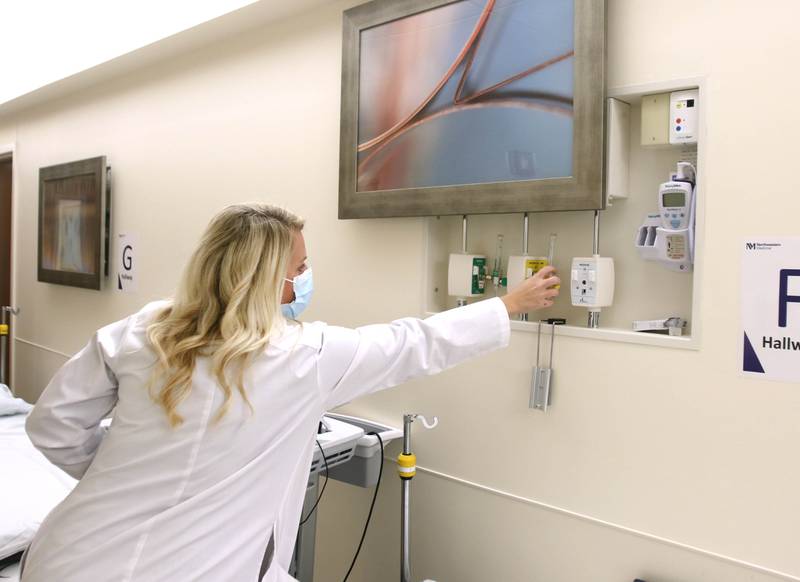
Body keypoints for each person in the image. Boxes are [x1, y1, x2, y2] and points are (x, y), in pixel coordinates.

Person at [21, 203, 559, 581]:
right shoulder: (307, 357)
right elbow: (412, 343)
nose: (306, 277)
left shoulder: (141, 331)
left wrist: (124, 478)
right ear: (264, 278)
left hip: (70, 558)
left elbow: (51, 426)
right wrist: (508, 305)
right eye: (299, 268)